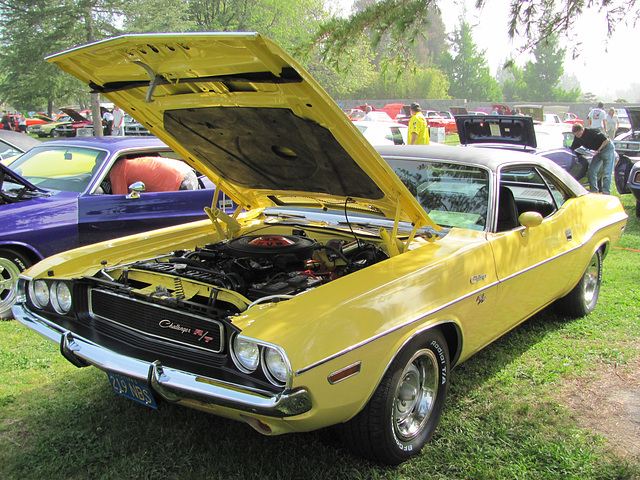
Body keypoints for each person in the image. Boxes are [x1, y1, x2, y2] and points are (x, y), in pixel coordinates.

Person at [109, 156, 198, 195]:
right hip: (185, 170)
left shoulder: (117, 169)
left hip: (178, 180)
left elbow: (120, 200)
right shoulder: (128, 164)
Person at [570, 123, 615, 194]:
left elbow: (606, 140)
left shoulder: (592, 132)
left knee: (607, 172)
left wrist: (598, 150)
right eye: (576, 135)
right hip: (596, 152)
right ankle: (594, 191)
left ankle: (606, 192)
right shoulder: (577, 138)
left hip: (607, 148)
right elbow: (573, 148)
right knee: (592, 171)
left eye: (578, 134)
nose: (578, 136)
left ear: (582, 130)